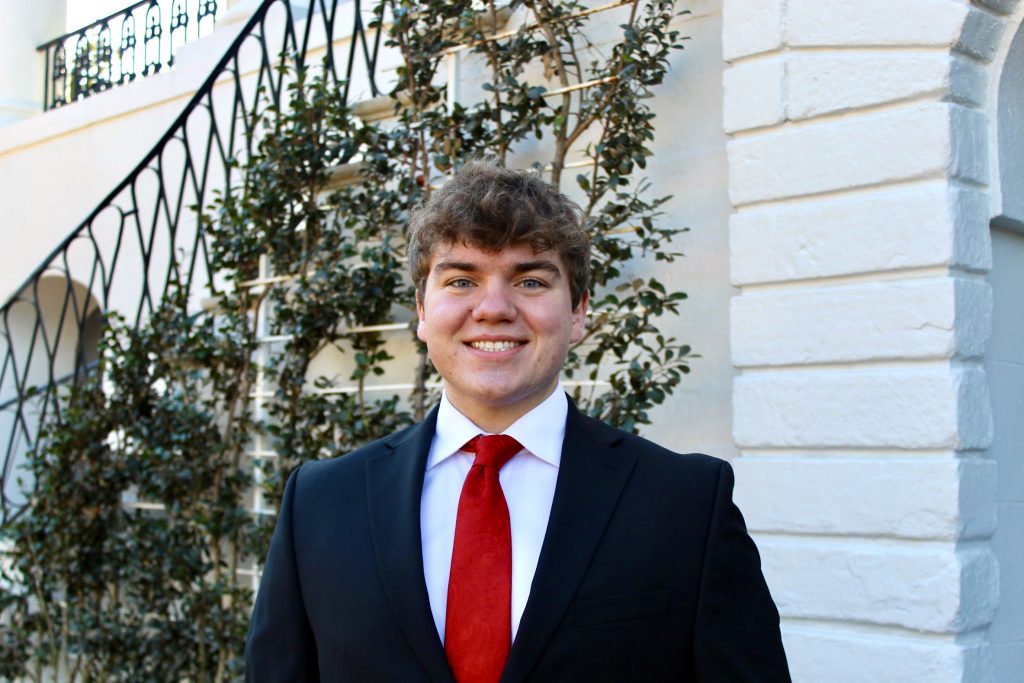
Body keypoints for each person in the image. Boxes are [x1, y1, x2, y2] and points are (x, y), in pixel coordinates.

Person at [245, 159, 791, 682]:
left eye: (530, 281)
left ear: (577, 312)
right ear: (421, 311)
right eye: (461, 280)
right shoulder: (319, 504)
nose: (494, 307)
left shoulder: (687, 504)